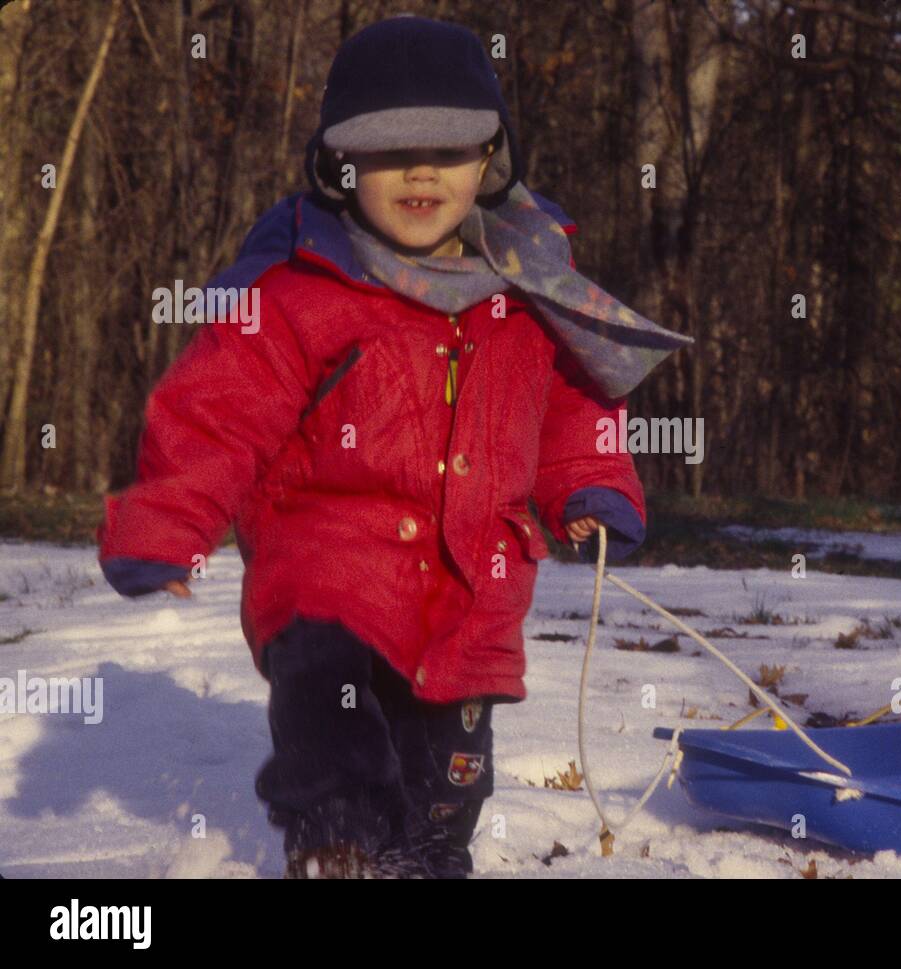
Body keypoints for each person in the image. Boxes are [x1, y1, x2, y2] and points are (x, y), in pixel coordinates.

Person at [96, 15, 691, 878]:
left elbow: (572, 405)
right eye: (387, 152)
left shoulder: (529, 294)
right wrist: (163, 523)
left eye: (448, 150)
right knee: (333, 732)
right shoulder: (300, 291)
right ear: (340, 165)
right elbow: (214, 414)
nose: (420, 171)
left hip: (469, 592)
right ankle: (335, 846)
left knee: (443, 791)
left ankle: (422, 857)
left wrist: (589, 487)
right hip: (325, 576)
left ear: (489, 161)